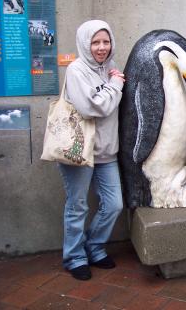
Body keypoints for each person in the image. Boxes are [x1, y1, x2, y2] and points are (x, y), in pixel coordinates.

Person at [57, 20, 125, 281]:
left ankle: (95, 247)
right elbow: (92, 108)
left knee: (114, 204)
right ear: (85, 43)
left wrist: (112, 81)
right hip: (79, 151)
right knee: (77, 206)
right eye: (95, 42)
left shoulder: (111, 69)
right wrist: (115, 85)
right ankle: (74, 257)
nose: (101, 47)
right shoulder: (76, 70)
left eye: (105, 42)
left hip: (107, 152)